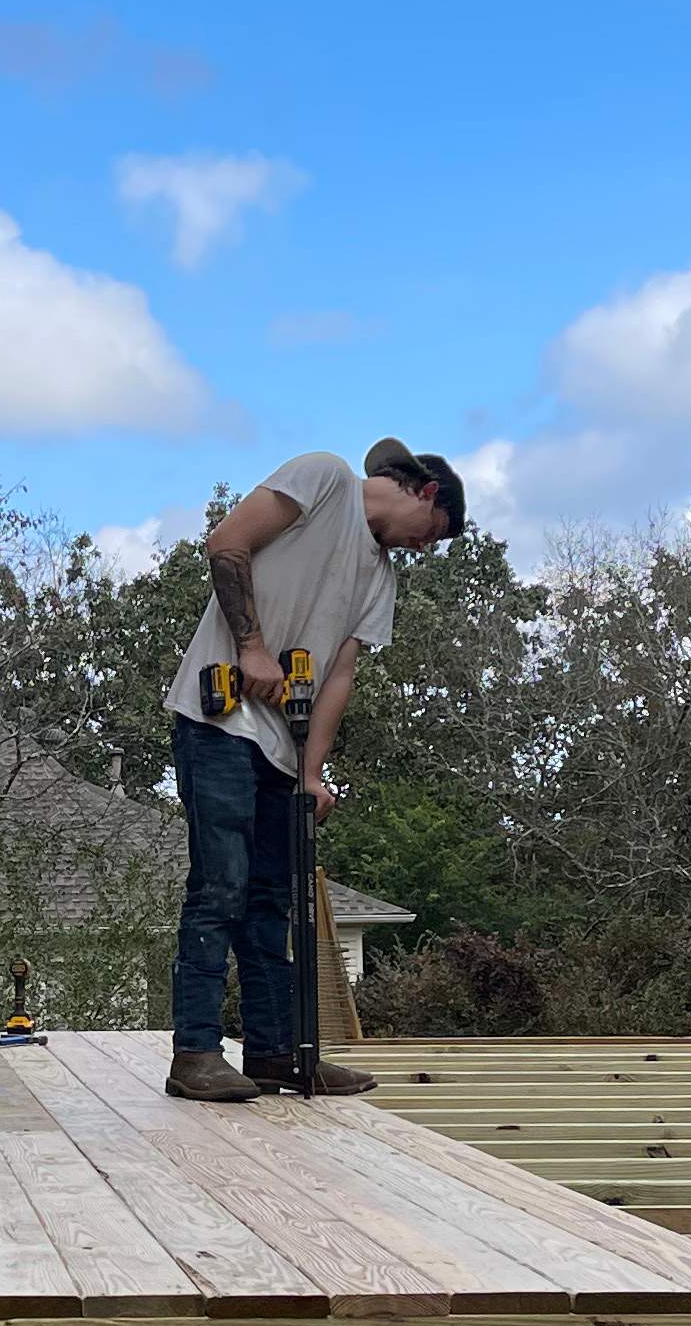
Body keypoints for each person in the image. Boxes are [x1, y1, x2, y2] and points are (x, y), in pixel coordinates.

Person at [160, 438, 465, 1101]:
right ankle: (195, 1055)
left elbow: (340, 672)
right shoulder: (322, 478)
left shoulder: (378, 575)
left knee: (271, 901)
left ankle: (278, 1056)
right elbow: (226, 544)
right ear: (426, 493)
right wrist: (252, 649)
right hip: (217, 721)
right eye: (430, 535)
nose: (420, 549)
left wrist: (312, 771)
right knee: (222, 887)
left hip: (280, 744)